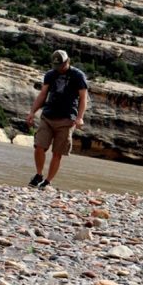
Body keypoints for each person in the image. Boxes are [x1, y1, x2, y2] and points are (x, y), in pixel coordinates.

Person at [26, 49, 88, 189]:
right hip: (48, 116)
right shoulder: (50, 75)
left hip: (67, 119)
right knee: (39, 146)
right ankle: (38, 175)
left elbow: (83, 98)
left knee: (57, 153)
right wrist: (32, 112)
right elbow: (43, 94)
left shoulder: (78, 76)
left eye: (61, 66)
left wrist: (80, 117)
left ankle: (47, 181)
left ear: (67, 61)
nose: (59, 69)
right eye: (56, 66)